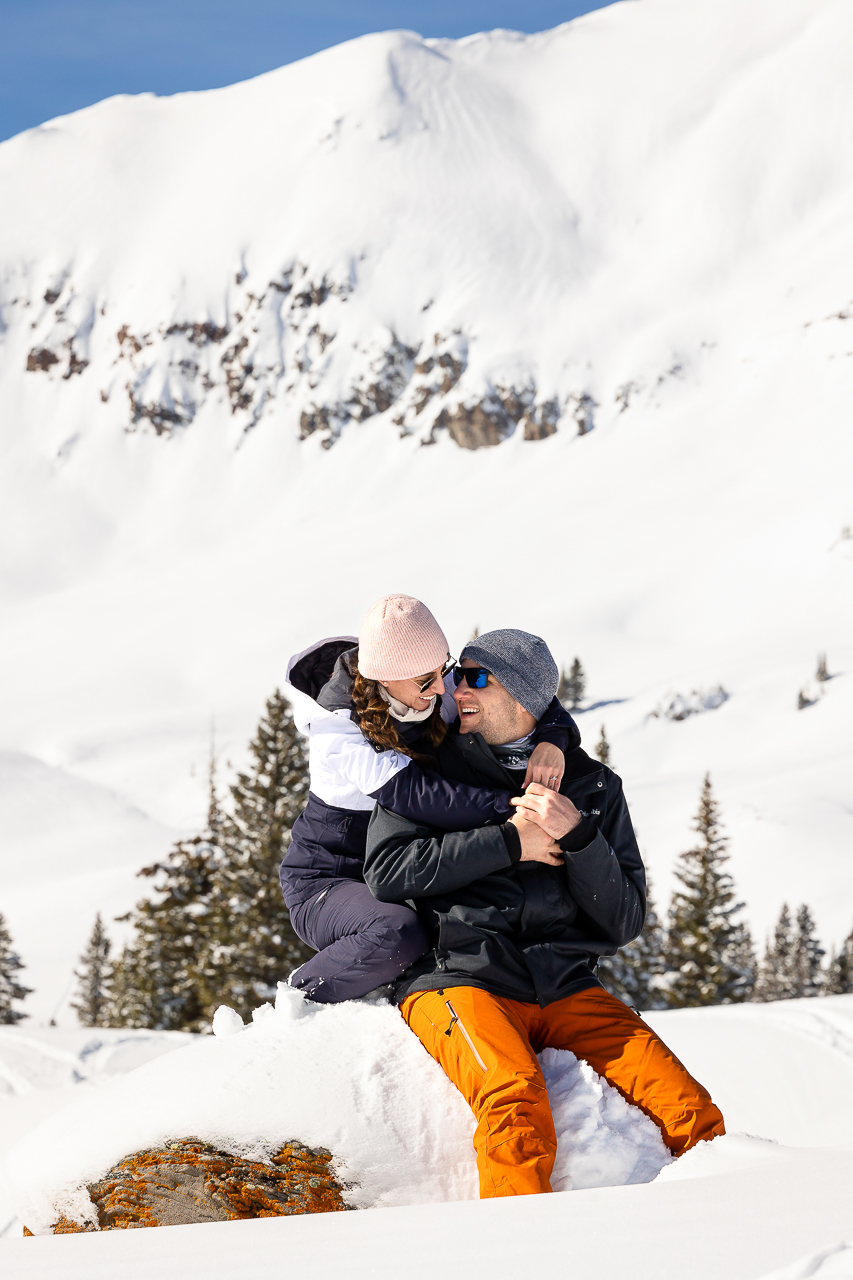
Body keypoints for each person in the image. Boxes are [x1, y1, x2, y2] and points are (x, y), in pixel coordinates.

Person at [363, 628, 725, 1197]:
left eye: (478, 678)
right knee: (515, 1107)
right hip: (460, 979)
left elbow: (625, 918)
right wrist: (509, 841)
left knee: (692, 1112)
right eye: (458, 674)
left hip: (564, 985)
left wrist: (577, 837)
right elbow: (388, 870)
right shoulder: (428, 769)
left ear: (525, 699)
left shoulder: (594, 786)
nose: (458, 688)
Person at [281, 597, 575, 1003]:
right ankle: (297, 1004)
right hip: (329, 880)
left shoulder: (432, 692)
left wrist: (552, 741)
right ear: (385, 678)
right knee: (398, 933)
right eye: (426, 681)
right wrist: (517, 811)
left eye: (444, 670)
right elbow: (414, 794)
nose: (442, 688)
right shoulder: (337, 731)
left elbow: (530, 697)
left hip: (397, 872)